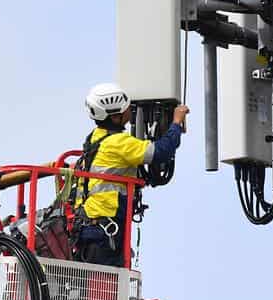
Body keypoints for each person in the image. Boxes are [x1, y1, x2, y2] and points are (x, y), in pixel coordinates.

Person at [75, 83, 189, 267]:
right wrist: (176, 123)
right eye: (126, 107)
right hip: (105, 228)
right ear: (116, 116)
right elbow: (160, 151)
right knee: (106, 286)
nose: (130, 109)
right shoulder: (119, 143)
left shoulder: (95, 137)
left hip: (90, 225)